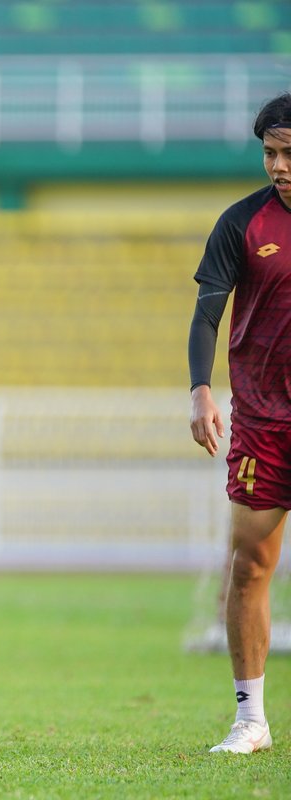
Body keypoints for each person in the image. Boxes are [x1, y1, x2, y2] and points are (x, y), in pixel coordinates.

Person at [189, 91, 291, 755]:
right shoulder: (242, 223)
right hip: (263, 422)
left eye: (288, 153)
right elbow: (206, 314)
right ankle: (250, 718)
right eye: (270, 153)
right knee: (250, 564)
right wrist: (201, 389)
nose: (278, 165)